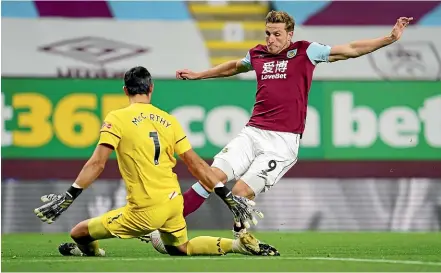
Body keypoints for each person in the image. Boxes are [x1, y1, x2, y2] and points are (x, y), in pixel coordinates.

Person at [175, 11, 413, 237]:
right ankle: (169, 222)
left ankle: (241, 239)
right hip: (253, 132)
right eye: (268, 33)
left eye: (277, 34)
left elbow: (349, 50)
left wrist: (389, 38)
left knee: (239, 193)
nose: (271, 39)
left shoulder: (307, 51)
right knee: (211, 175)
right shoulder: (257, 54)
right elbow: (235, 66)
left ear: (290, 35)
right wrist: (199, 74)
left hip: (282, 142)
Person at [33, 66, 279, 257]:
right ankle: (236, 245)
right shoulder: (168, 120)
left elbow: (97, 163)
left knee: (79, 233)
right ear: (151, 89)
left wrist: (69, 196)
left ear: (125, 91)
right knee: (181, 248)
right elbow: (196, 165)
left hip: (143, 211)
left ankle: (91, 252)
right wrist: (226, 195)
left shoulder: (117, 118)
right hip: (174, 203)